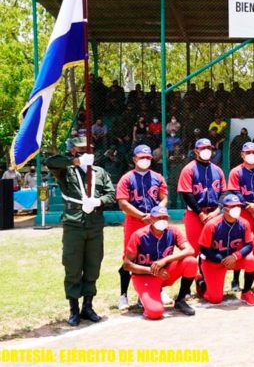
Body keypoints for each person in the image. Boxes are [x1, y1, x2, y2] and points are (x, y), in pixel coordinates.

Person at [44, 135, 115, 326]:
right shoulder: (66, 169)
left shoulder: (99, 172)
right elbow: (49, 162)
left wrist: (99, 201)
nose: (84, 151)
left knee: (93, 266)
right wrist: (73, 161)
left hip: (94, 224)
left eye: (88, 148)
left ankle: (88, 306)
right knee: (73, 266)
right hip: (74, 224)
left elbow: (111, 194)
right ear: (73, 150)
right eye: (80, 148)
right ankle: (74, 309)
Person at [115, 145, 168, 310]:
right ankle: (123, 295)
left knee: (157, 254)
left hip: (155, 221)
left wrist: (156, 214)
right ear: (134, 159)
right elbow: (123, 203)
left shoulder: (158, 177)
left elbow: (164, 197)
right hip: (134, 221)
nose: (144, 160)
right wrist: (142, 216)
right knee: (130, 257)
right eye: (141, 157)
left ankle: (158, 290)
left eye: (147, 158)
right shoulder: (127, 178)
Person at [123, 206, 197, 319]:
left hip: (165, 272)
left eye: (165, 217)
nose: (162, 220)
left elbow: (190, 250)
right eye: (158, 218)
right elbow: (127, 265)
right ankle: (145, 296)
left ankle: (181, 300)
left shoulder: (173, 231)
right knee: (155, 312)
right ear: (151, 219)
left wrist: (166, 260)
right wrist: (152, 271)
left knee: (190, 261)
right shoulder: (139, 235)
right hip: (144, 276)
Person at [198, 194, 254, 305]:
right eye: (233, 206)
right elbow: (203, 249)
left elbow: (249, 245)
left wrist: (235, 256)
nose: (237, 209)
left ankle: (246, 292)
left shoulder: (244, 223)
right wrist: (223, 260)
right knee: (215, 299)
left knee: (252, 261)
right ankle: (201, 282)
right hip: (214, 261)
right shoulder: (212, 224)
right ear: (225, 209)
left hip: (234, 259)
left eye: (238, 206)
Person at [227, 141, 254, 291]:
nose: (251, 155)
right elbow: (236, 192)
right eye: (248, 153)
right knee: (240, 244)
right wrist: (252, 210)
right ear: (242, 155)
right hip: (243, 212)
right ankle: (235, 280)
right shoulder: (236, 171)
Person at [177, 139, 226, 259]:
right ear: (196, 151)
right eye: (203, 148)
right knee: (194, 249)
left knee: (216, 247)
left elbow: (224, 193)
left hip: (214, 213)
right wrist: (199, 213)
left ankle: (208, 276)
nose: (206, 151)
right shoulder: (189, 169)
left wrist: (217, 210)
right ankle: (197, 276)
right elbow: (186, 194)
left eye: (209, 148)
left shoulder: (217, 170)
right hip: (194, 214)